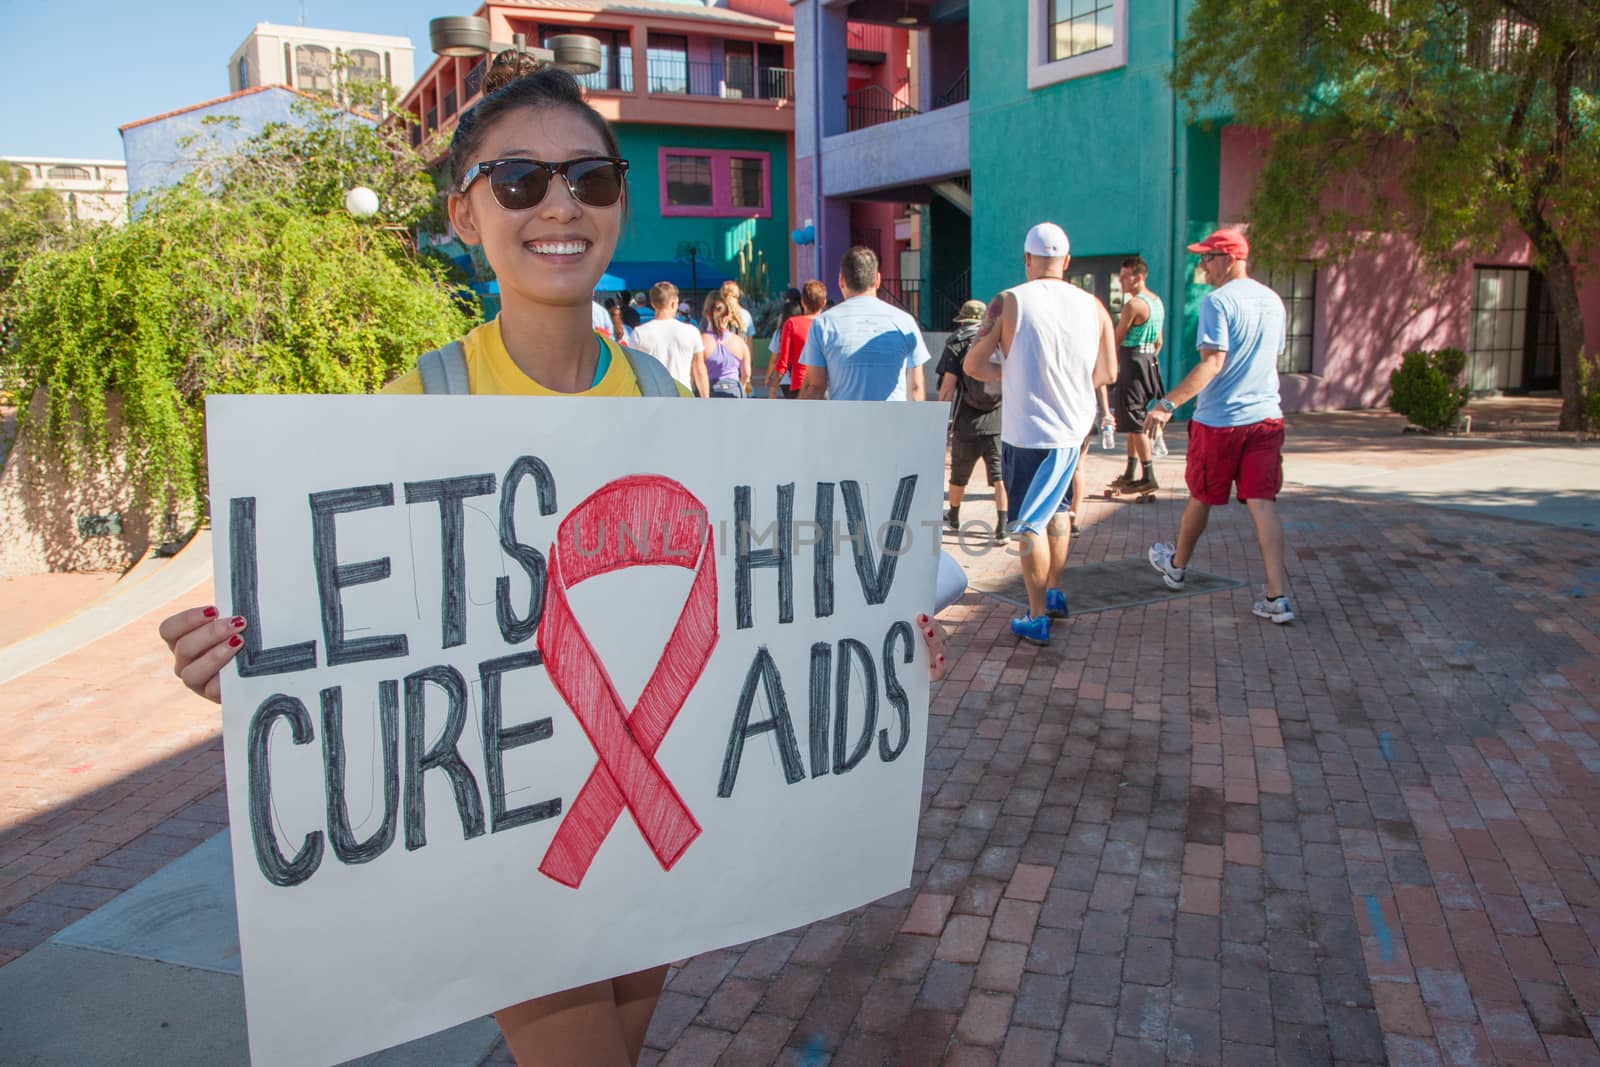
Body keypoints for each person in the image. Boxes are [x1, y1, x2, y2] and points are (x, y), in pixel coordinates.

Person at [154, 55, 950, 1067]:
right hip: (512, 844)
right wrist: (243, 667)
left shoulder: (668, 399)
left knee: (622, 1032)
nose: (557, 204)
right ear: (464, 212)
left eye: (590, 177)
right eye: (519, 179)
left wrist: (867, 628)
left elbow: (756, 592)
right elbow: (364, 664)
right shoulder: (412, 412)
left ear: (618, 200)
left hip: (659, 822)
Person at [964, 222, 1116, 646]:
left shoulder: (1009, 301)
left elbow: (972, 365)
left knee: (1030, 523)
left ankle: (1035, 616)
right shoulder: (1095, 306)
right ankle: (1053, 591)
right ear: (1066, 262)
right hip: (1073, 430)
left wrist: (1009, 372)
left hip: (1029, 432)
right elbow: (1109, 372)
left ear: (1027, 259)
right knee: (1060, 513)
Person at [1144, 228, 1295, 624]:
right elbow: (1271, 356)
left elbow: (1213, 363)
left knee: (1202, 495)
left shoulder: (1218, 302)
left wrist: (1167, 403)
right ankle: (1277, 596)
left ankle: (1176, 566)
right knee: (1262, 503)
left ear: (1229, 258)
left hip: (1221, 421)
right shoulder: (1273, 301)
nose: (1202, 266)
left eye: (1207, 258)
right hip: (1265, 418)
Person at [798, 247, 930, 402]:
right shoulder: (905, 321)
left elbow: (816, 387)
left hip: (843, 423)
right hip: (893, 423)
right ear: (878, 280)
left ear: (841, 281)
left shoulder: (823, 324)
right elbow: (916, 387)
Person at [937, 299, 1007, 542]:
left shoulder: (957, 343)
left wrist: (938, 421)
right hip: (998, 420)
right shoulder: (998, 342)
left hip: (967, 421)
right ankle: (1003, 527)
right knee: (999, 476)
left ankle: (954, 516)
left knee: (959, 472)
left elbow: (947, 388)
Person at [1109, 256, 1166, 492]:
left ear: (1138, 277)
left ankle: (1148, 475)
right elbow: (1159, 341)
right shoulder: (1156, 302)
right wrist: (1147, 358)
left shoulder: (1134, 305)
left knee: (1135, 420)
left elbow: (1116, 337)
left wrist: (1110, 363)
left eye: (1125, 277)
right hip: (1148, 362)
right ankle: (1131, 472)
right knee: (1133, 420)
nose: (1121, 281)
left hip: (1132, 363)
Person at [631, 281, 708, 395]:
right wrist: (705, 397)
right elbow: (699, 368)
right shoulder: (691, 332)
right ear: (673, 303)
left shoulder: (639, 333)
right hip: (683, 394)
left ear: (653, 303)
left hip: (652, 396)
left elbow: (634, 369)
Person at [765, 280, 825, 399]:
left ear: (802, 302)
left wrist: (772, 390)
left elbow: (783, 362)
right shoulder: (828, 324)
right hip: (825, 388)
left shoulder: (792, 324)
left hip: (799, 388)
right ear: (824, 302)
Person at [699, 291, 750, 398]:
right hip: (735, 390)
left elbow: (698, 372)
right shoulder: (739, 342)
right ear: (727, 317)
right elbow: (746, 373)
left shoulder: (702, 341)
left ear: (708, 316)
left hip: (710, 391)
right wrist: (742, 386)